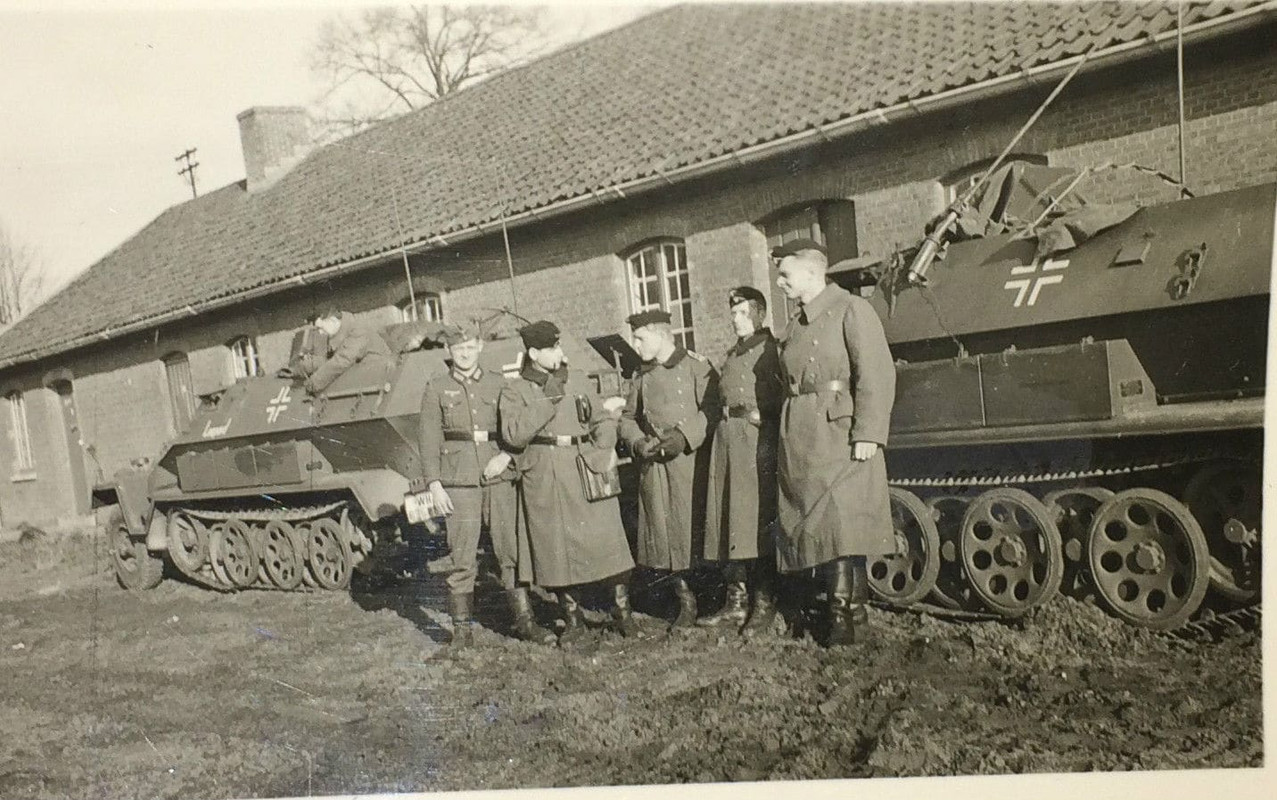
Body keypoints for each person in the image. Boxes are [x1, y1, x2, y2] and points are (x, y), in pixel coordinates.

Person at [772, 239, 897, 647]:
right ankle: (848, 616)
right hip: (803, 438)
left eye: (786, 274)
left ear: (812, 272)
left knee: (841, 525)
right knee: (821, 526)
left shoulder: (851, 309)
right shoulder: (795, 324)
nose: (780, 282)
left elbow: (876, 373)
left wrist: (869, 433)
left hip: (839, 435)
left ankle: (845, 616)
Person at [414, 322, 554, 648]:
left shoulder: (498, 383)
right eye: (457, 348)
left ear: (480, 347)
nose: (464, 353)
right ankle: (462, 634)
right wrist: (434, 484)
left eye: (470, 346)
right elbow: (429, 439)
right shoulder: (435, 387)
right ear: (449, 351)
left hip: (497, 477)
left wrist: (506, 456)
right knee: (461, 556)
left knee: (510, 552)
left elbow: (514, 428)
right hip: (458, 481)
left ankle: (525, 623)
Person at [498, 320, 639, 640]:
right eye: (552, 348)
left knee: (610, 541)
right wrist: (546, 400)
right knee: (556, 552)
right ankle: (573, 618)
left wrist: (604, 449)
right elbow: (514, 434)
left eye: (559, 346)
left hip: (585, 465)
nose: (559, 352)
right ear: (534, 353)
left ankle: (622, 611)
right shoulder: (515, 389)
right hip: (546, 474)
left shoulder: (575, 379)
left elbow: (601, 419)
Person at [618, 310, 720, 629]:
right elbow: (627, 418)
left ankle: (711, 598)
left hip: (689, 463)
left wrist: (684, 436)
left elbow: (712, 408)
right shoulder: (641, 375)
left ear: (661, 334)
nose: (635, 345)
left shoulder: (695, 366)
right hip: (655, 468)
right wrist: (636, 443)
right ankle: (684, 600)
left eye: (640, 338)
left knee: (693, 530)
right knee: (662, 537)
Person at [699, 287, 783, 635]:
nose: (734, 319)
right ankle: (735, 604)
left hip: (754, 442)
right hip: (728, 440)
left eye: (740, 313)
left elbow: (780, 395)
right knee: (729, 522)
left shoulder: (769, 351)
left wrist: (762, 420)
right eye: (733, 313)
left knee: (755, 523)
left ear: (757, 315)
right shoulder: (733, 354)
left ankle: (764, 604)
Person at [303, 308, 395, 395]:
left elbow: (343, 360)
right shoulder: (343, 332)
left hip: (378, 380)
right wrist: (308, 366)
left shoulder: (358, 330)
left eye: (321, 328)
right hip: (364, 381)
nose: (320, 332)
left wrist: (313, 383)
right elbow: (331, 360)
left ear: (333, 320)